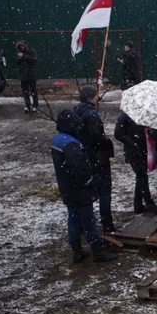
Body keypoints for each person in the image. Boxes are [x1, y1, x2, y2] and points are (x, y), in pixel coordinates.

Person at [50, 110, 117, 264]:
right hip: (79, 190)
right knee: (88, 221)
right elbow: (80, 168)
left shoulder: (57, 140)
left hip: (67, 189)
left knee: (73, 219)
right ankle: (98, 252)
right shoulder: (71, 144)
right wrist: (89, 181)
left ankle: (77, 251)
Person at [73, 85, 116, 233]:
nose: (98, 98)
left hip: (86, 157)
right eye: (96, 95)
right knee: (104, 192)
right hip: (98, 158)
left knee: (90, 193)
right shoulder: (91, 115)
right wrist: (105, 142)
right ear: (91, 97)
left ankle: (86, 225)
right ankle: (107, 225)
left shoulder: (77, 111)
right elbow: (96, 138)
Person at [114, 111, 157, 214]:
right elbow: (117, 133)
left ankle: (138, 205)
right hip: (134, 152)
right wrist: (132, 143)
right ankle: (149, 203)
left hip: (143, 150)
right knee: (142, 176)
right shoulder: (125, 116)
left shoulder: (142, 114)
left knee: (141, 177)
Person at [15, 41, 38, 114]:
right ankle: (27, 106)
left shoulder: (31, 51)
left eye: (22, 46)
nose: (22, 48)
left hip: (31, 75)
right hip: (23, 75)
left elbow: (33, 60)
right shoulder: (19, 53)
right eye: (20, 47)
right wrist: (19, 58)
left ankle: (35, 106)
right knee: (25, 92)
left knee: (33, 90)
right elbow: (16, 63)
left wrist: (23, 56)